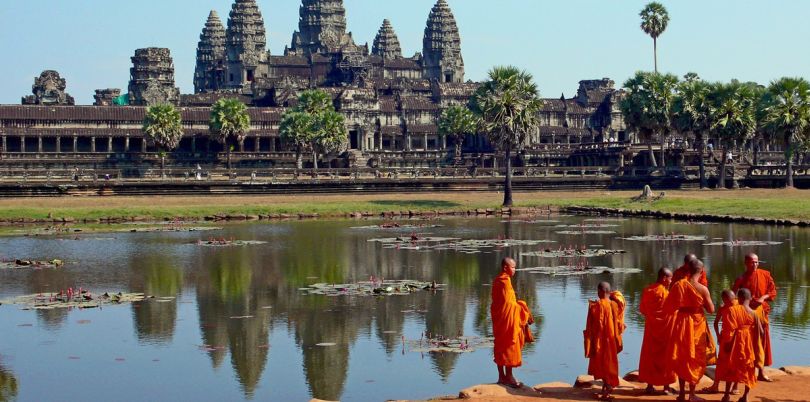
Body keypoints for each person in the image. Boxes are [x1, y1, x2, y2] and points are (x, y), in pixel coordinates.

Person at [665, 258, 716, 402]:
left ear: (688, 270)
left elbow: (669, 308)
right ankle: (692, 394)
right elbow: (711, 309)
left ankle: (681, 394)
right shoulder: (702, 288)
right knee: (695, 358)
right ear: (702, 271)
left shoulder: (679, 285)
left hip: (681, 323)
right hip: (696, 323)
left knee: (682, 357)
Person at [732, 253, 777, 382]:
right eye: (752, 262)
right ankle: (743, 373)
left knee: (761, 342)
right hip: (746, 313)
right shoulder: (741, 278)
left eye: (757, 262)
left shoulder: (765, 274)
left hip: (761, 311)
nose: (755, 265)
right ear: (746, 263)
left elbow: (773, 291)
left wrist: (763, 298)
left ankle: (761, 372)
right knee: (747, 343)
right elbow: (733, 294)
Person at [491, 257, 533, 388]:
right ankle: (508, 377)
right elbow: (509, 304)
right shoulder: (504, 282)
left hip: (500, 319)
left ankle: (501, 377)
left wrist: (518, 305)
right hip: (507, 321)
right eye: (513, 267)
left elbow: (499, 303)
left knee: (500, 345)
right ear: (505, 268)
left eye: (515, 267)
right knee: (509, 344)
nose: (515, 269)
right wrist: (523, 307)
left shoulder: (497, 281)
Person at [717, 288, 763, 402]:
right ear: (750, 298)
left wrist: (727, 343)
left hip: (735, 343)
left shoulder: (732, 310)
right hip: (748, 344)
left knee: (731, 367)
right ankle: (745, 396)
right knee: (749, 368)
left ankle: (727, 395)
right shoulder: (754, 313)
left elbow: (729, 330)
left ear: (739, 298)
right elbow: (761, 332)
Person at [584, 282, 626, 401]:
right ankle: (606, 386)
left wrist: (588, 339)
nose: (597, 294)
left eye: (598, 291)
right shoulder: (614, 305)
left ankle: (607, 389)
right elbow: (619, 319)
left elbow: (590, 325)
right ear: (608, 291)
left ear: (601, 292)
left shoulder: (595, 306)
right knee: (609, 363)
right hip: (611, 340)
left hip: (598, 341)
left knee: (601, 363)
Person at [638, 268, 675, 395]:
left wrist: (653, 317)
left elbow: (643, 310)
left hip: (651, 330)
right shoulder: (666, 294)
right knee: (666, 357)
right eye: (670, 278)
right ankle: (666, 387)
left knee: (650, 356)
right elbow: (673, 310)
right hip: (666, 331)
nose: (671, 281)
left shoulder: (648, 290)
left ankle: (649, 386)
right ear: (664, 278)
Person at [707, 290, 739, 395]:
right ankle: (715, 385)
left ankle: (735, 386)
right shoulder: (723, 308)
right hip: (725, 337)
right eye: (729, 301)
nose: (732, 302)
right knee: (721, 362)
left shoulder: (739, 306)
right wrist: (718, 336)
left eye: (733, 300)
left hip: (737, 338)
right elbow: (716, 323)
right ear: (725, 300)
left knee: (735, 362)